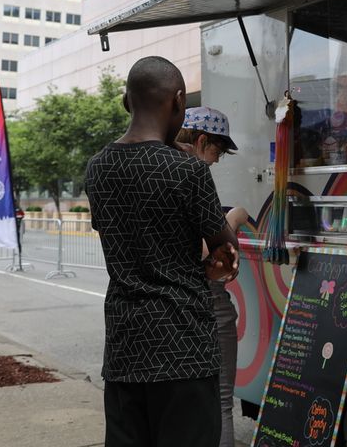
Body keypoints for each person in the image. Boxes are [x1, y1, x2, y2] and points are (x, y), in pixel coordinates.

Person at [84, 56, 239, 447]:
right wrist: (216, 261)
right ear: (178, 100)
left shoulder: (97, 167)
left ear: (128, 101)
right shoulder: (188, 171)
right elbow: (226, 248)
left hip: (124, 348)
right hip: (184, 347)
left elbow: (126, 237)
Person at [177, 106, 248, 447]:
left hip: (167, 314)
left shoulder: (152, 171)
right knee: (220, 403)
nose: (217, 161)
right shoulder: (193, 175)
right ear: (202, 140)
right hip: (207, 306)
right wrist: (233, 219)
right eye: (217, 152)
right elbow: (209, 258)